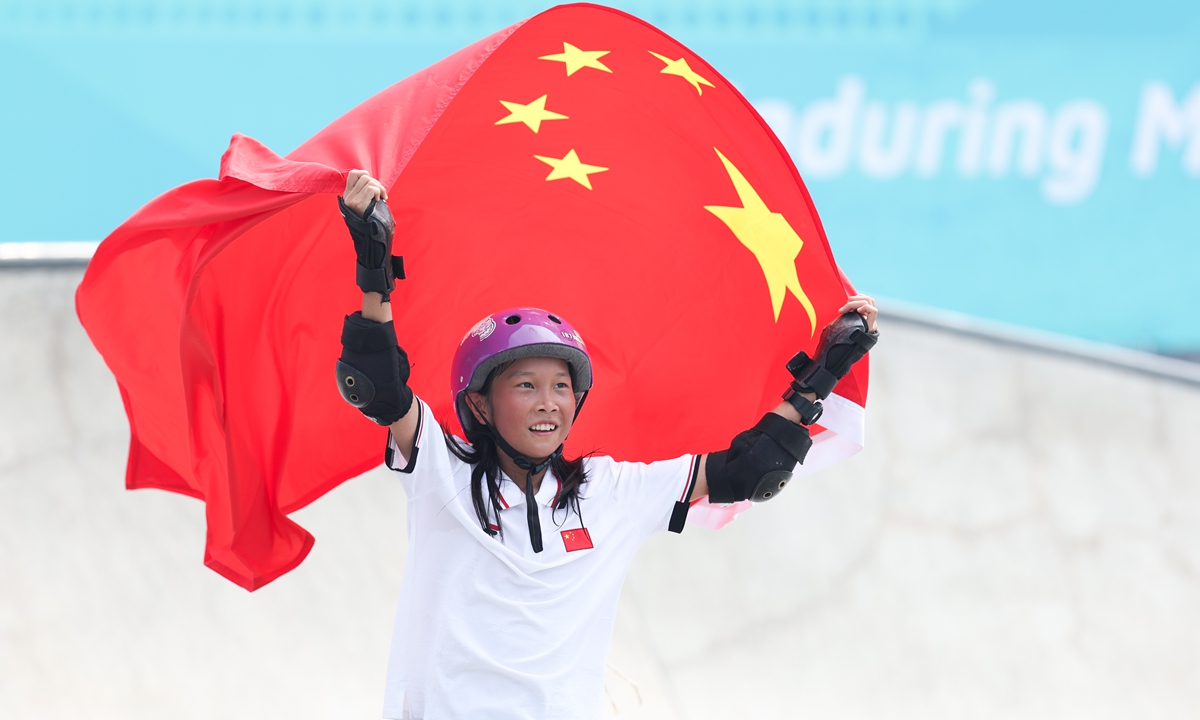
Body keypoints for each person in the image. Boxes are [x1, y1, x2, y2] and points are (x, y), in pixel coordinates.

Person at [334, 170, 879, 719]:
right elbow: (378, 385)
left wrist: (824, 373)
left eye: (561, 387)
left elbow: (751, 468)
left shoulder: (608, 490)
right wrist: (373, 261)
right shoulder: (440, 470)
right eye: (526, 386)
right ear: (479, 405)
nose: (548, 402)